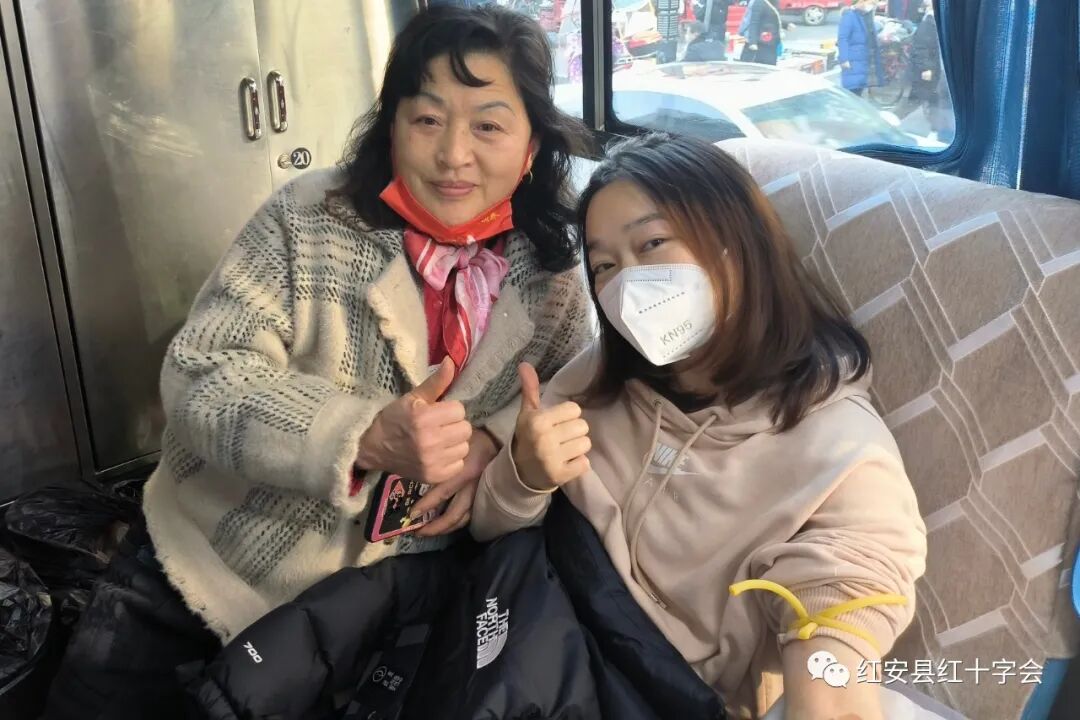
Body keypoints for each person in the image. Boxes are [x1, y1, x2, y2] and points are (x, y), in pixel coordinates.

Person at [44, 5, 595, 719]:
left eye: (488, 126)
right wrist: (361, 435)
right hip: (212, 565)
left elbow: (569, 387)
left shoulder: (550, 272)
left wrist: (493, 439)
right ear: (392, 126)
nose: (454, 155)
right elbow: (201, 376)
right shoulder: (307, 219)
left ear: (531, 144)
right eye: (427, 119)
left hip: (374, 609)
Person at [471, 133, 927, 720]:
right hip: (525, 642)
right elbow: (491, 529)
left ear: (737, 242)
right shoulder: (597, 376)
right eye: (605, 265)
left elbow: (839, 634)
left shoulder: (842, 452)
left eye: (653, 243)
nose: (628, 284)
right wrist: (524, 477)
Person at [904, 0, 953, 141]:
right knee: (933, 100)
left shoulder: (934, 21)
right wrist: (927, 68)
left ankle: (938, 130)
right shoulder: (928, 23)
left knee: (937, 100)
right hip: (934, 71)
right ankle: (936, 130)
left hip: (938, 70)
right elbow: (922, 48)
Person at [838, 0, 885, 96]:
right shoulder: (849, 16)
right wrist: (844, 59)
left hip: (863, 58)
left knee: (859, 88)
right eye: (871, 3)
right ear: (861, 2)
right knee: (853, 90)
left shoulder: (866, 16)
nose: (872, 6)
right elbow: (843, 38)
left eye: (874, 4)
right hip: (853, 59)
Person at [740, 0, 782, 66]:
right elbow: (753, 23)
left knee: (770, 64)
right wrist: (753, 42)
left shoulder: (773, 2)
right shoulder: (759, 3)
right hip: (761, 43)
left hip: (771, 42)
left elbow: (773, 18)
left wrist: (786, 25)